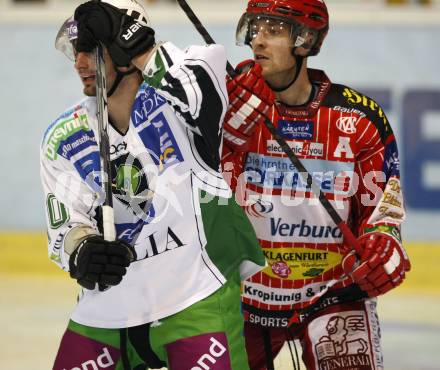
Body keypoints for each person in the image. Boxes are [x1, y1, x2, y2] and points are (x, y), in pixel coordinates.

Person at [41, 1, 265, 369]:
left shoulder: (185, 89)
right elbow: (65, 224)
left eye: (91, 50)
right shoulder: (64, 136)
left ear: (123, 52)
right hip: (109, 309)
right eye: (77, 51)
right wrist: (82, 249)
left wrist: (141, 47)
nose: (80, 63)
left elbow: (203, 99)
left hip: (197, 297)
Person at [221, 0, 411, 369]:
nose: (258, 40)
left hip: (334, 292)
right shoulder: (227, 106)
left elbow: (382, 205)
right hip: (241, 296)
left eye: (273, 30)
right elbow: (197, 189)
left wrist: (385, 241)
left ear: (306, 40)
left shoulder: (359, 118)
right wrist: (224, 135)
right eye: (255, 28)